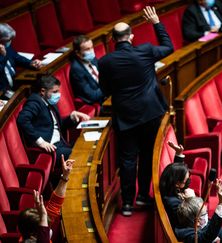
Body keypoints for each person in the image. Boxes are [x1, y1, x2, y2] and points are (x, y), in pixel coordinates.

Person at [98, 6, 174, 216]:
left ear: (114, 39)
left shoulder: (104, 62)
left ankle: (128, 203)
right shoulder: (146, 50)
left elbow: (104, 90)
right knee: (148, 154)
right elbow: (169, 47)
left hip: (125, 116)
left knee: (128, 159)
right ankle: (142, 197)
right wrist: (156, 22)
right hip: (151, 113)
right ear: (131, 36)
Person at [17, 75, 89, 169]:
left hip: (61, 143)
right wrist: (40, 141)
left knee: (87, 145)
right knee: (81, 155)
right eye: (55, 92)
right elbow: (22, 119)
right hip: (51, 148)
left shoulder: (49, 101)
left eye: (58, 91)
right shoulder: (34, 102)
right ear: (43, 91)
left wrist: (71, 117)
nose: (58, 94)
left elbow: (54, 125)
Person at [18, 155, 74, 243]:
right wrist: (43, 216)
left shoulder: (35, 235)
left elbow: (54, 204)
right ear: (34, 235)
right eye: (45, 226)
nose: (47, 228)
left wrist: (65, 177)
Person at [0, 23, 42, 99]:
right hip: (2, 92)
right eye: (7, 40)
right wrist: (3, 56)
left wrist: (31, 63)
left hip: (15, 85)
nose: (9, 42)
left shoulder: (6, 47)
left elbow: (16, 57)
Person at [160, 141, 196, 227]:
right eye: (186, 180)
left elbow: (176, 172)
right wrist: (191, 200)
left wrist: (179, 154)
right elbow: (190, 220)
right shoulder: (173, 203)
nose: (188, 181)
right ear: (177, 184)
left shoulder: (169, 184)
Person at [69, 35, 105, 105]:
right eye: (87, 49)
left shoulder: (92, 59)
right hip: (99, 102)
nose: (91, 51)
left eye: (92, 47)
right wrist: (109, 86)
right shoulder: (77, 70)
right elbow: (92, 96)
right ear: (78, 53)